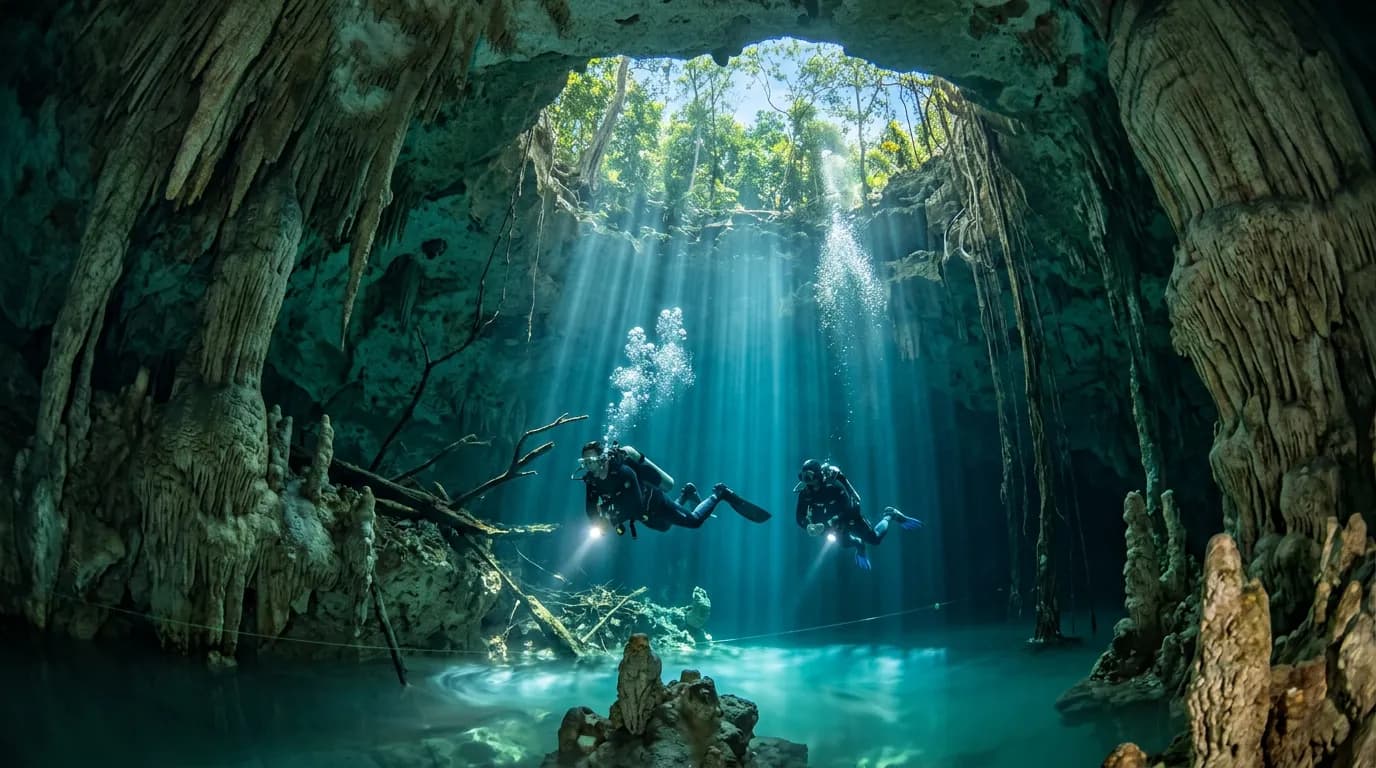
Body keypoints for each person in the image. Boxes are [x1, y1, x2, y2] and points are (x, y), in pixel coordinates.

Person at [575, 440, 771, 538]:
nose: (588, 466)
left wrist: (613, 519)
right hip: (643, 515)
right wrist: (597, 523)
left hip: (655, 503)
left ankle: (720, 493)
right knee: (665, 527)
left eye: (591, 460)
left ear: (601, 458)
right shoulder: (591, 480)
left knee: (694, 522)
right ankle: (686, 493)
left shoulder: (625, 472)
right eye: (584, 462)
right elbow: (590, 508)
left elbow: (635, 503)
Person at [794, 458, 922, 570]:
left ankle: (890, 515)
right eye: (803, 477)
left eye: (809, 476)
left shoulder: (834, 485)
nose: (807, 481)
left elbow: (849, 507)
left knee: (874, 539)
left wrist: (831, 522)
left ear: (818, 475)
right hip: (828, 523)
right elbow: (799, 516)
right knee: (844, 544)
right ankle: (859, 545)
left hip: (849, 516)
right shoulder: (805, 494)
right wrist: (808, 526)